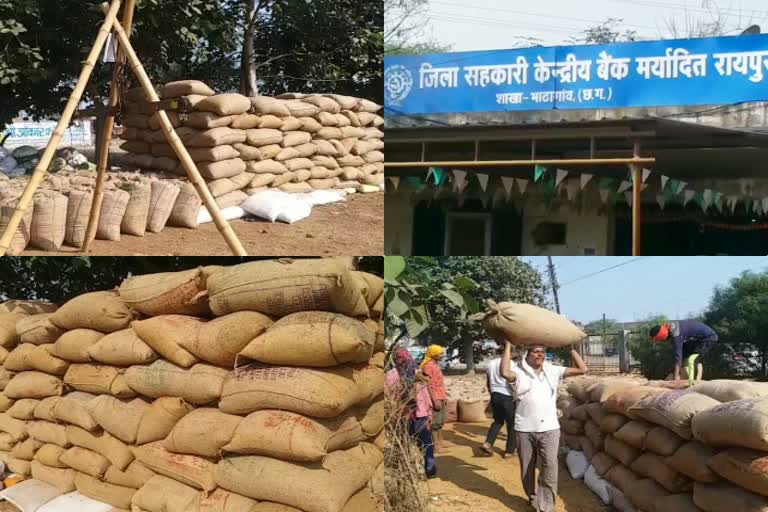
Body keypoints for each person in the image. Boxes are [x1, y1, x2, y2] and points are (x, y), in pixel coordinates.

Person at [499, 342, 588, 512]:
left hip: (550, 428)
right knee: (527, 467)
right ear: (527, 354)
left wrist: (570, 348)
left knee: (550, 466)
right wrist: (509, 345)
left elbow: (583, 369)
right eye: (535, 352)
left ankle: (547, 505)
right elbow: (504, 372)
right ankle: (532, 497)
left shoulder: (553, 370)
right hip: (524, 427)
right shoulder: (518, 372)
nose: (540, 355)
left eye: (542, 352)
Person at [385, 348, 437, 478]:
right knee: (426, 442)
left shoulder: (391, 375)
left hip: (401, 416)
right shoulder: (418, 373)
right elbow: (425, 396)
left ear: (396, 359)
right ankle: (429, 469)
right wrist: (430, 412)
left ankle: (407, 470)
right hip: (420, 415)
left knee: (404, 443)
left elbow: (387, 397)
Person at [649, 320, 718, 385]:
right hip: (696, 339)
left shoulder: (676, 334)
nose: (662, 341)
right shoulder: (672, 329)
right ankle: (676, 375)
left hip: (709, 338)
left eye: (660, 339)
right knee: (684, 354)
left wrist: (676, 379)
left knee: (692, 359)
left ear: (662, 335)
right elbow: (679, 356)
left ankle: (694, 383)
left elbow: (678, 356)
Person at [480, 344, 519, 458]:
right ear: (509, 353)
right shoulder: (511, 364)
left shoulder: (490, 364)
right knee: (512, 424)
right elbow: (512, 382)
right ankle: (509, 451)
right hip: (507, 396)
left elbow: (488, 381)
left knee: (497, 421)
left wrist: (492, 393)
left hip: (495, 395)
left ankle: (488, 443)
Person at [420, 344, 448, 453]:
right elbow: (428, 385)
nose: (442, 355)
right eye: (440, 353)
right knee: (435, 423)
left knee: (441, 421)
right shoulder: (428, 367)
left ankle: (441, 441)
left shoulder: (435, 365)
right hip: (435, 397)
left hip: (441, 395)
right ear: (434, 354)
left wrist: (443, 397)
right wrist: (434, 399)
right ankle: (436, 445)